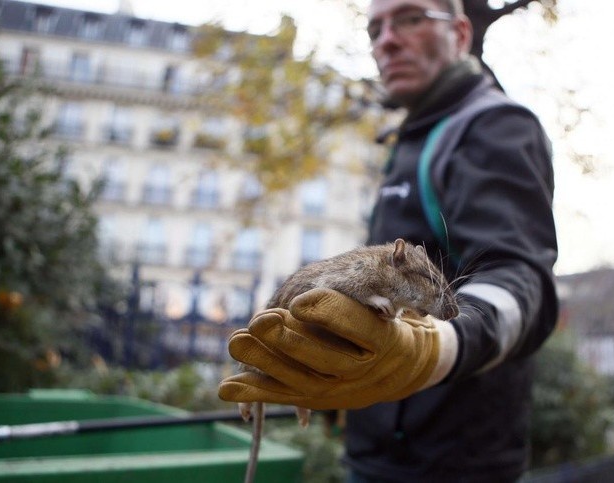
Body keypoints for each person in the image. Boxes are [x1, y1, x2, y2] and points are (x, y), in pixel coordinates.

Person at [218, 0, 558, 481]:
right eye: (375, 29)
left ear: (461, 34)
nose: (386, 41)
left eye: (411, 18)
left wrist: (438, 348)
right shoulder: (409, 136)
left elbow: (521, 280)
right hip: (374, 451)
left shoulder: (495, 127)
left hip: (454, 461)